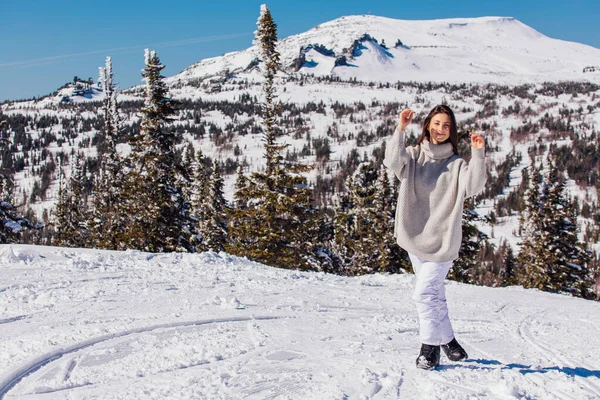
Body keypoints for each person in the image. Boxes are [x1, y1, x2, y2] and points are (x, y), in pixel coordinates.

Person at [383, 104, 487, 370]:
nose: (441, 130)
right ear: (428, 125)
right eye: (437, 123)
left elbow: (474, 186)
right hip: (415, 237)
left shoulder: (456, 165)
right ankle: (450, 341)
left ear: (451, 131)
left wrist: (478, 153)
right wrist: (401, 129)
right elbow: (392, 161)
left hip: (443, 241)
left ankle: (429, 348)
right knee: (434, 293)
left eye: (447, 126)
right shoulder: (414, 156)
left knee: (423, 294)